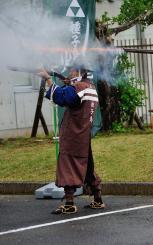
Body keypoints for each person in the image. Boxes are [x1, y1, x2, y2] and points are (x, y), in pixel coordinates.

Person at [39, 64, 105, 214]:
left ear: (80, 72)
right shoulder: (90, 86)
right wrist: (69, 83)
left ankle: (69, 203)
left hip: (73, 135)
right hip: (83, 135)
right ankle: (98, 198)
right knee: (87, 168)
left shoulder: (79, 87)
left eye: (72, 71)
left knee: (67, 167)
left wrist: (48, 78)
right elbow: (69, 95)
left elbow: (62, 98)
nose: (69, 73)